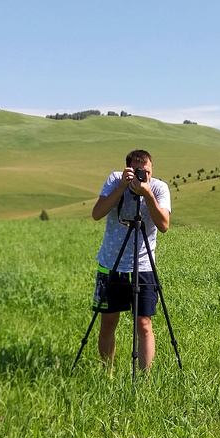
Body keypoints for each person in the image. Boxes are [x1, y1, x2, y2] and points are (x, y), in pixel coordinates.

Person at [90, 149, 171, 374]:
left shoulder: (158, 188)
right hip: (110, 262)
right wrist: (121, 188)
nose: (142, 175)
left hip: (143, 266)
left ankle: (145, 378)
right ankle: (107, 372)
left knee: (144, 324)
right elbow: (97, 213)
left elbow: (164, 225)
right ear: (127, 169)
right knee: (107, 322)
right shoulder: (116, 180)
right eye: (137, 170)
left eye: (147, 171)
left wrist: (147, 194)